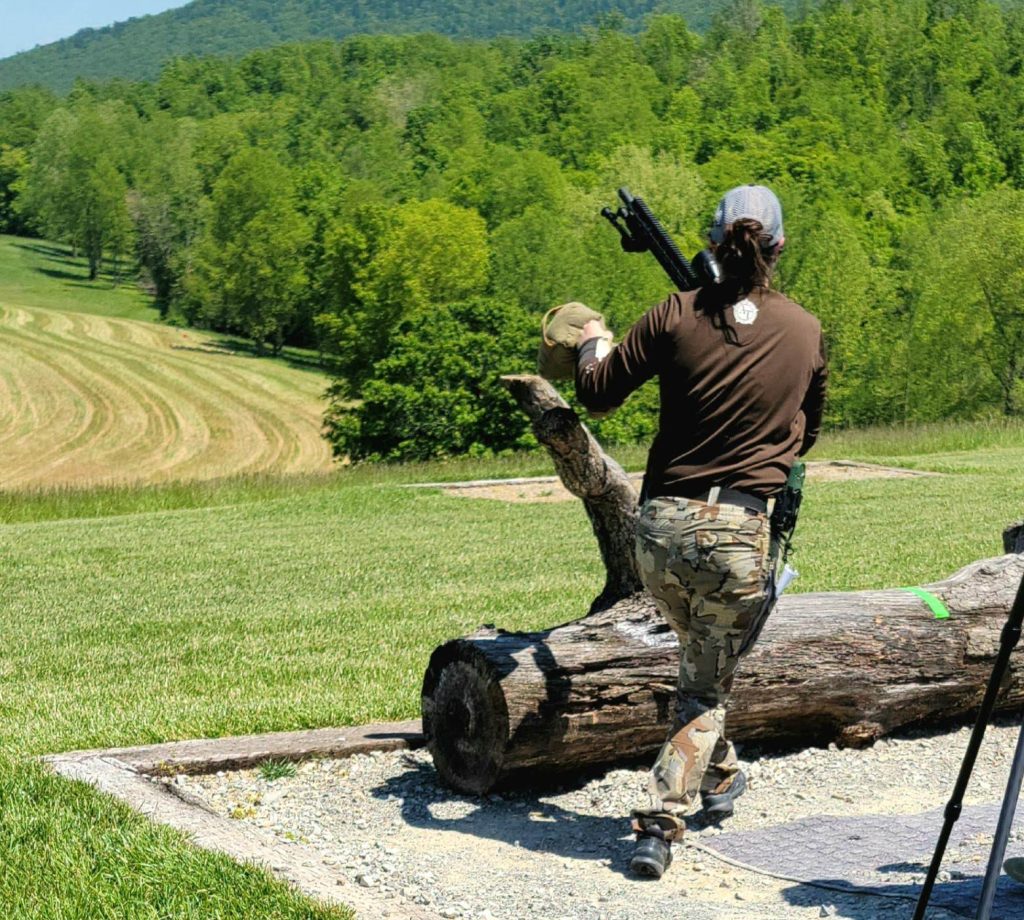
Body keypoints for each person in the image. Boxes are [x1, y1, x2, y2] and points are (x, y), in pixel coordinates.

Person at [574, 184, 828, 879]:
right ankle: (661, 821)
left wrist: (594, 341)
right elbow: (807, 433)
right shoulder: (805, 330)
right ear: (777, 250)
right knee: (704, 688)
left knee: (700, 667)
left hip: (657, 534)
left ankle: (720, 775)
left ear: (712, 243)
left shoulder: (673, 315)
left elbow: (596, 388)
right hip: (736, 540)